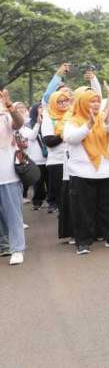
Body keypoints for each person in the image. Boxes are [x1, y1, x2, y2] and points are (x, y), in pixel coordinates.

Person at [63, 89, 109, 255]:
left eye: (98, 101)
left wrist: (108, 121)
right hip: (81, 173)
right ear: (83, 103)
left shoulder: (105, 118)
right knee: (83, 210)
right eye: (92, 101)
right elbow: (70, 139)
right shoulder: (73, 121)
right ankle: (83, 242)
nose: (96, 104)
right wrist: (88, 126)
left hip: (106, 171)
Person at [0, 90, 26, 265]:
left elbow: (19, 123)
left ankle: (17, 249)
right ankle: (4, 245)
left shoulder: (5, 114)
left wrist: (9, 106)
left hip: (7, 173)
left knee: (13, 213)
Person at [16, 102, 48, 208]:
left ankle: (50, 201)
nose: (41, 109)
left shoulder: (45, 121)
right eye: (39, 108)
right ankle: (37, 202)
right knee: (38, 182)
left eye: (22, 108)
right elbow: (32, 136)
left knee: (49, 181)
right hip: (34, 157)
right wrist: (38, 124)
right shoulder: (24, 125)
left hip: (47, 157)